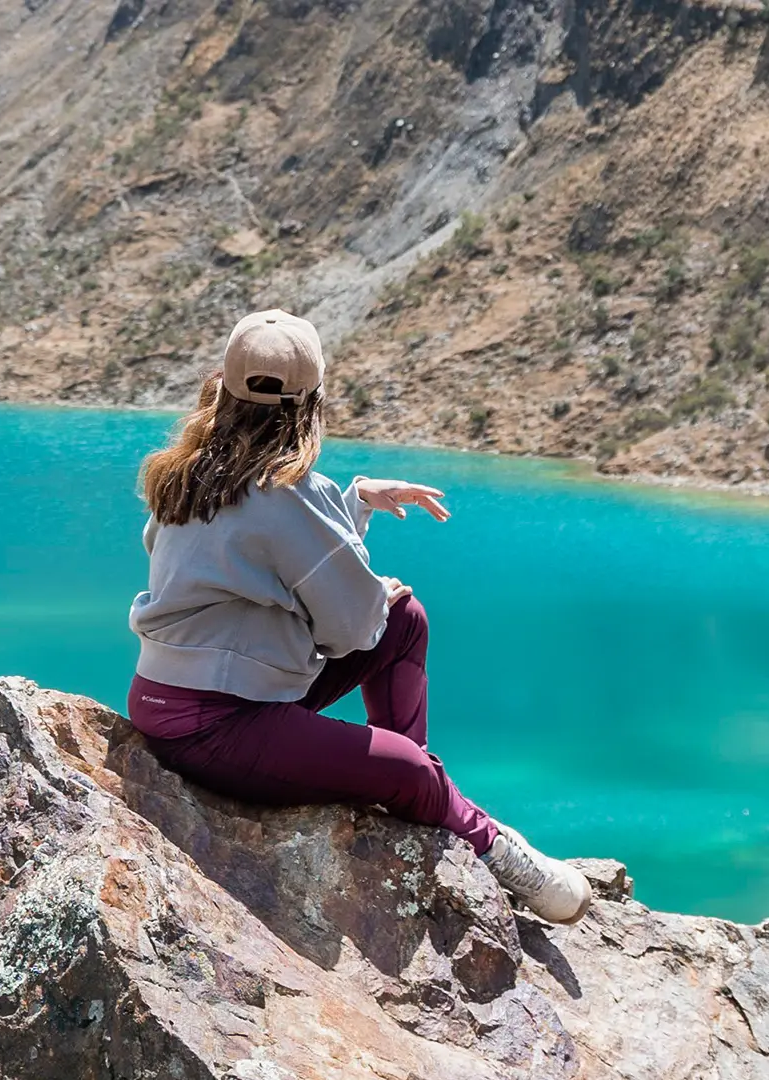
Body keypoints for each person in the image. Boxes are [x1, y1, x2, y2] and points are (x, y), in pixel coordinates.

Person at [125, 309, 591, 924]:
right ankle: (474, 832)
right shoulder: (288, 494)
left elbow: (256, 557)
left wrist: (353, 504)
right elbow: (347, 628)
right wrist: (374, 587)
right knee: (399, 639)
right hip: (218, 726)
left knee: (403, 621)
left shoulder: (189, 473)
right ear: (311, 403)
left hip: (173, 699)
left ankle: (424, 796)